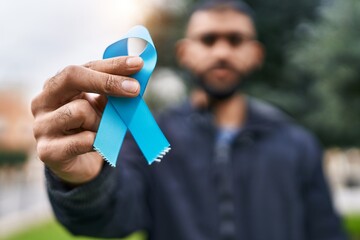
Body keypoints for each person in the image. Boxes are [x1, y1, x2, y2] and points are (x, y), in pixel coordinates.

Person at [31, 0, 347, 239]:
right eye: (208, 40)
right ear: (184, 53)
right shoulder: (148, 141)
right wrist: (81, 181)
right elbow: (107, 216)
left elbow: (326, 231)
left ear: (255, 54)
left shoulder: (295, 142)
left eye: (235, 40)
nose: (222, 52)